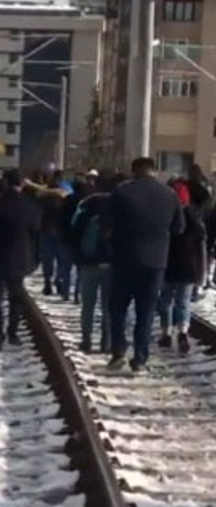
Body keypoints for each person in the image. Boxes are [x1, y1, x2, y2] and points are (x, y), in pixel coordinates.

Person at [106, 157, 185, 372]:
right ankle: (140, 358)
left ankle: (118, 351)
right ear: (154, 171)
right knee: (146, 311)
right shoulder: (170, 195)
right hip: (156, 262)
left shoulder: (121, 192)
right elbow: (179, 228)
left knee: (118, 308)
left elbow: (107, 224)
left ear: (134, 171)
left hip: (124, 259)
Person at [0, 170, 41, 350]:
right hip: (20, 257)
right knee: (16, 296)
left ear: (6, 182)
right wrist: (35, 256)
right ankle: (13, 332)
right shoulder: (30, 206)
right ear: (21, 184)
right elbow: (36, 233)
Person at [158, 180, 206, 356]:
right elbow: (201, 249)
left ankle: (166, 332)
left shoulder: (166, 219)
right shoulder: (195, 223)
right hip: (188, 268)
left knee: (165, 301)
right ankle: (183, 332)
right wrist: (201, 273)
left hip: (168, 266)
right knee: (183, 302)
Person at [67, 178, 113, 353]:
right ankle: (106, 342)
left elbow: (73, 235)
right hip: (109, 265)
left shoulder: (85, 211)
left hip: (88, 265)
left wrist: (78, 257)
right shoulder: (117, 213)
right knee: (108, 306)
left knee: (88, 306)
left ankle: (86, 340)